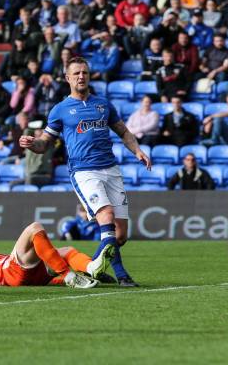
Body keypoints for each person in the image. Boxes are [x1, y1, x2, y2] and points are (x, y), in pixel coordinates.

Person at [20, 57, 152, 287]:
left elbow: (123, 131)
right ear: (67, 78)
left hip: (111, 169)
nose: (81, 76)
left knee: (119, 236)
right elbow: (44, 144)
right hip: (84, 172)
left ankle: (92, 266)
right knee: (107, 216)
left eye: (85, 72)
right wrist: (33, 144)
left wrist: (137, 151)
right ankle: (122, 276)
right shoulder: (60, 110)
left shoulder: (103, 104)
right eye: (77, 73)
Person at [0, 222, 112, 288]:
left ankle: (91, 269)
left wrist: (59, 280)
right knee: (35, 228)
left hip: (32, 276)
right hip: (11, 271)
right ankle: (68, 274)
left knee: (65, 251)